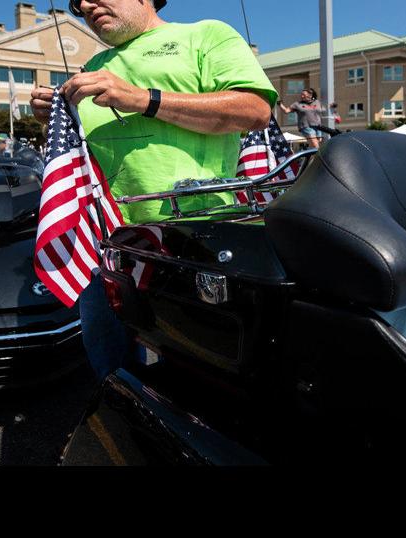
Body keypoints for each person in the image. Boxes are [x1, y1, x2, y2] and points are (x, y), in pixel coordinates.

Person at [30, 0, 276, 380]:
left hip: (195, 240)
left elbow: (255, 109)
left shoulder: (205, 34)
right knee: (111, 364)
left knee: (200, 364)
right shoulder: (91, 70)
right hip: (106, 242)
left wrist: (142, 98)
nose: (83, 5)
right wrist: (58, 117)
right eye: (77, 4)